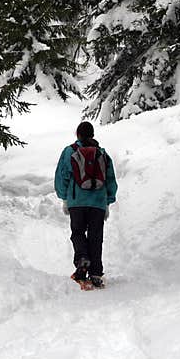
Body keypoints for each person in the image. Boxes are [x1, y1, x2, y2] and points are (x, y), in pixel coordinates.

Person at [53, 121, 118, 289]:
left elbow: (62, 176)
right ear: (93, 135)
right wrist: (108, 201)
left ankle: (82, 259)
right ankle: (96, 273)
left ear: (78, 134)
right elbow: (110, 179)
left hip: (77, 202)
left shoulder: (70, 151)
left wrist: (64, 198)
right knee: (96, 237)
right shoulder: (102, 154)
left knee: (78, 233)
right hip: (98, 203)